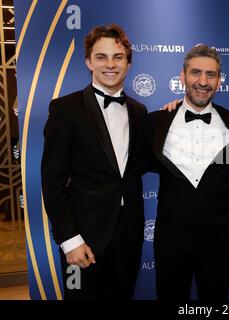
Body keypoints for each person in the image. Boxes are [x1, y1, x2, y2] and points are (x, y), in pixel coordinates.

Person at [41, 24, 148, 299]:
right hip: (84, 238)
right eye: (101, 57)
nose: (110, 65)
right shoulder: (65, 109)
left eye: (118, 57)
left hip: (129, 235)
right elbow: (52, 181)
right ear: (89, 61)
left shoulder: (139, 111)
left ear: (128, 63)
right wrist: (69, 240)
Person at [146, 45, 229, 300]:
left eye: (211, 75)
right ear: (182, 77)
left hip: (218, 245)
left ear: (219, 81)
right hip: (170, 244)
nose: (202, 81)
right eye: (195, 73)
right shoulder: (157, 122)